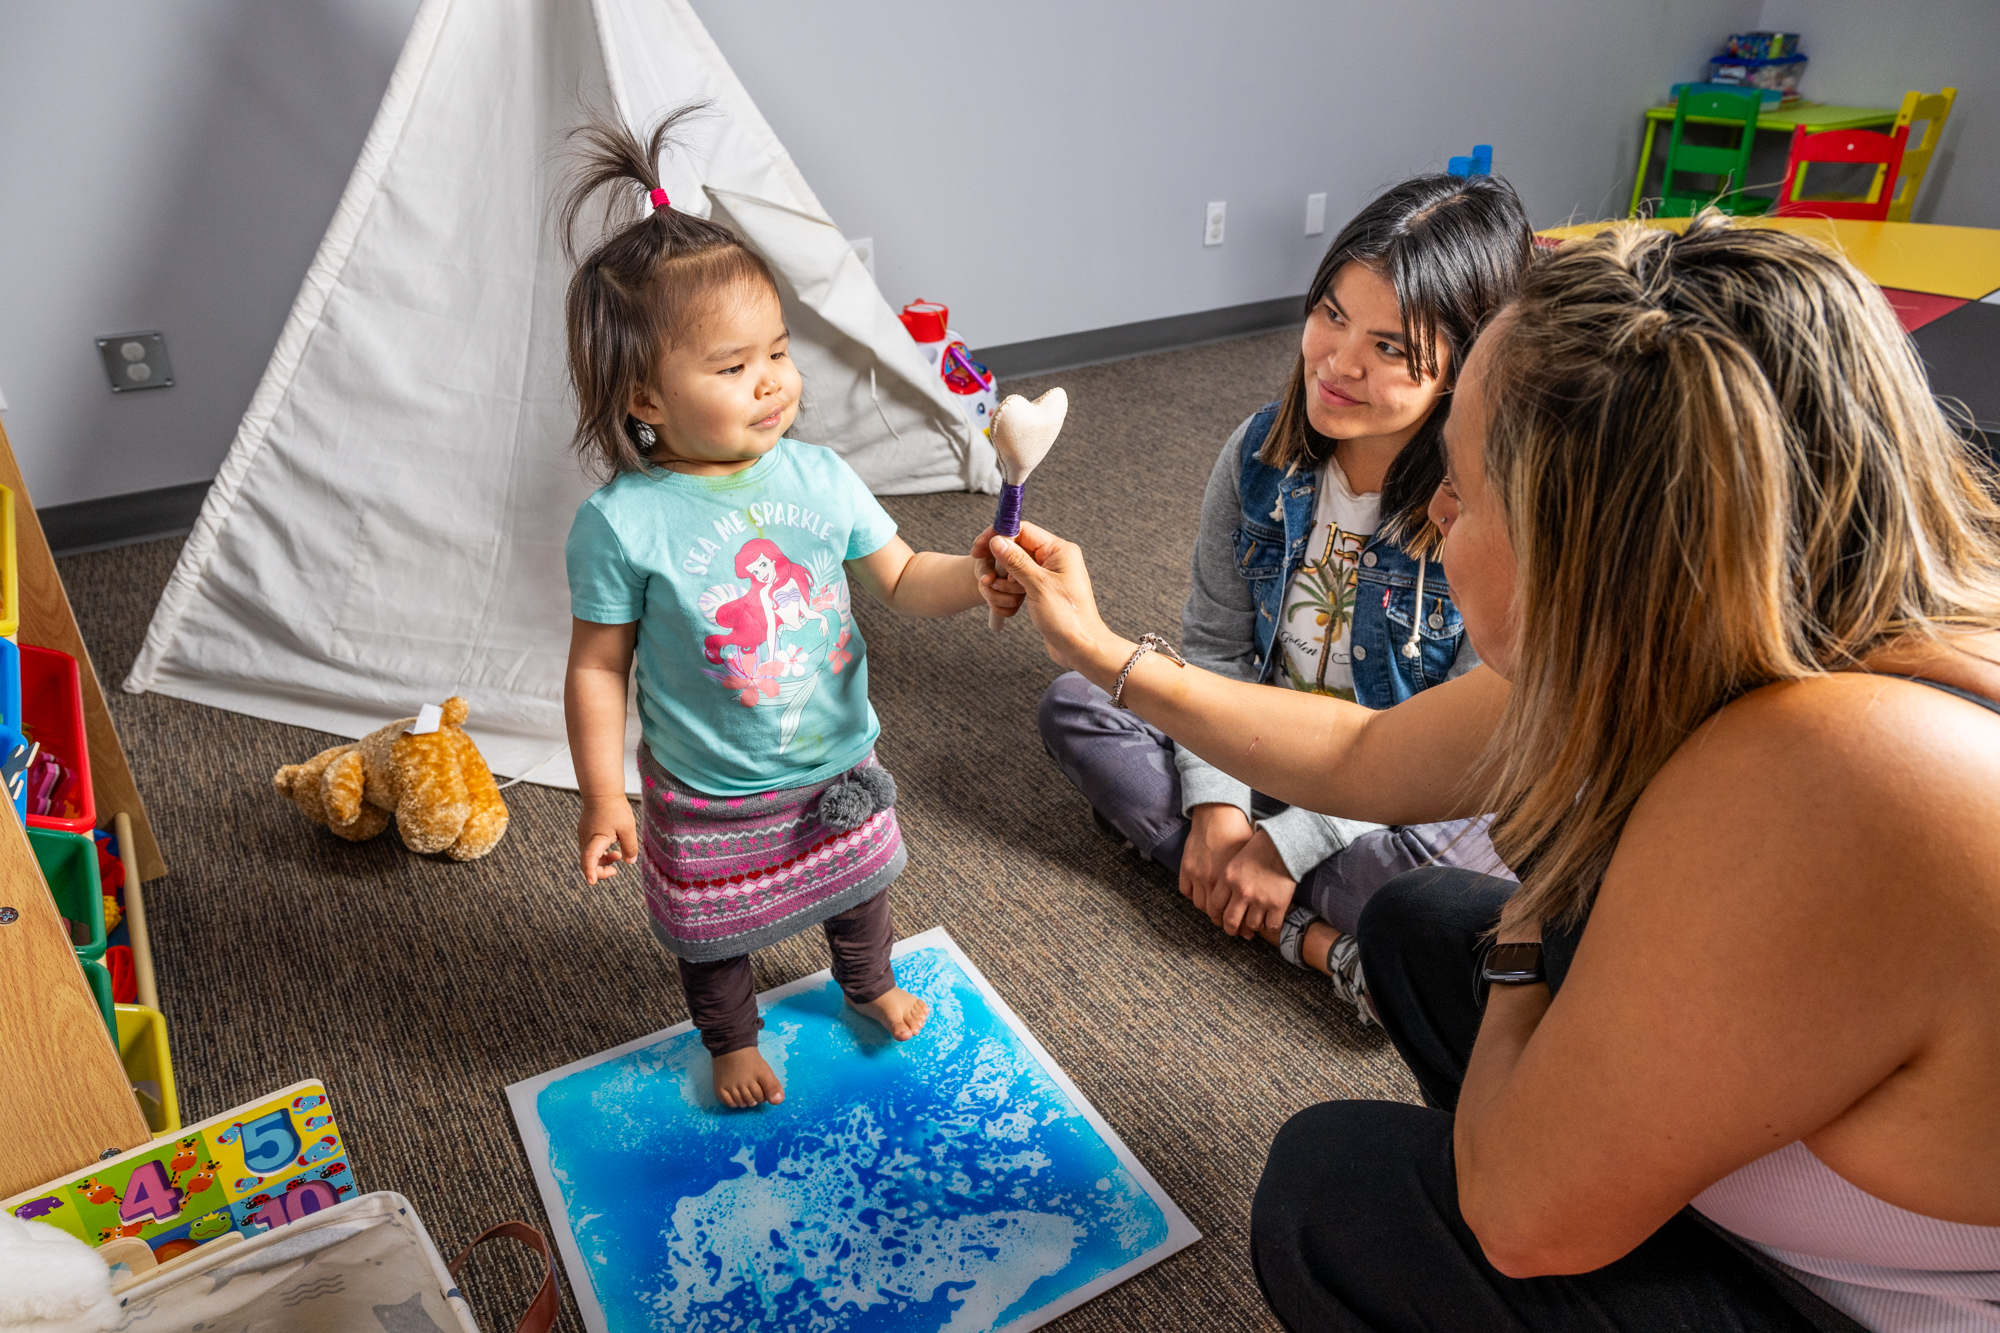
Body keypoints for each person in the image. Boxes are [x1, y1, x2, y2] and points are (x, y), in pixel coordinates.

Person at [981, 215, 2000, 1330]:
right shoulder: (1700, 616)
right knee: (1422, 921)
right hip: (1779, 1166)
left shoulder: (1828, 772)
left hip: (1855, 1305)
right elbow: (1369, 752)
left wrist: (1535, 915)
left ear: (1586, 546)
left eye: (1462, 490)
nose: (1439, 513)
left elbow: (1522, 1217)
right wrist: (1101, 654)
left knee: (1338, 1190)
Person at [559, 110, 1013, 1108]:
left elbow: (900, 576)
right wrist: (600, 795)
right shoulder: (623, 523)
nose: (771, 382)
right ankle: (728, 1037)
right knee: (712, 933)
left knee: (859, 892)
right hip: (709, 789)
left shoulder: (818, 475)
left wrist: (974, 573)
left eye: (776, 350)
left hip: (836, 759)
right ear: (644, 398)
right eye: (731, 367)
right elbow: (596, 667)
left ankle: (869, 981)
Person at [1032, 174, 1530, 1016]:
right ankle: (1327, 947)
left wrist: (1290, 842)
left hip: (1392, 797)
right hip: (1261, 747)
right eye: (1331, 314)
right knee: (1076, 705)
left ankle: (1261, 898)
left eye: (1389, 347)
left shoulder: (1483, 513)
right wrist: (1223, 806)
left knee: (1469, 863)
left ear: (1465, 369)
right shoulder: (1257, 454)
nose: (1338, 362)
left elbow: (1448, 751)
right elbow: (1215, 651)